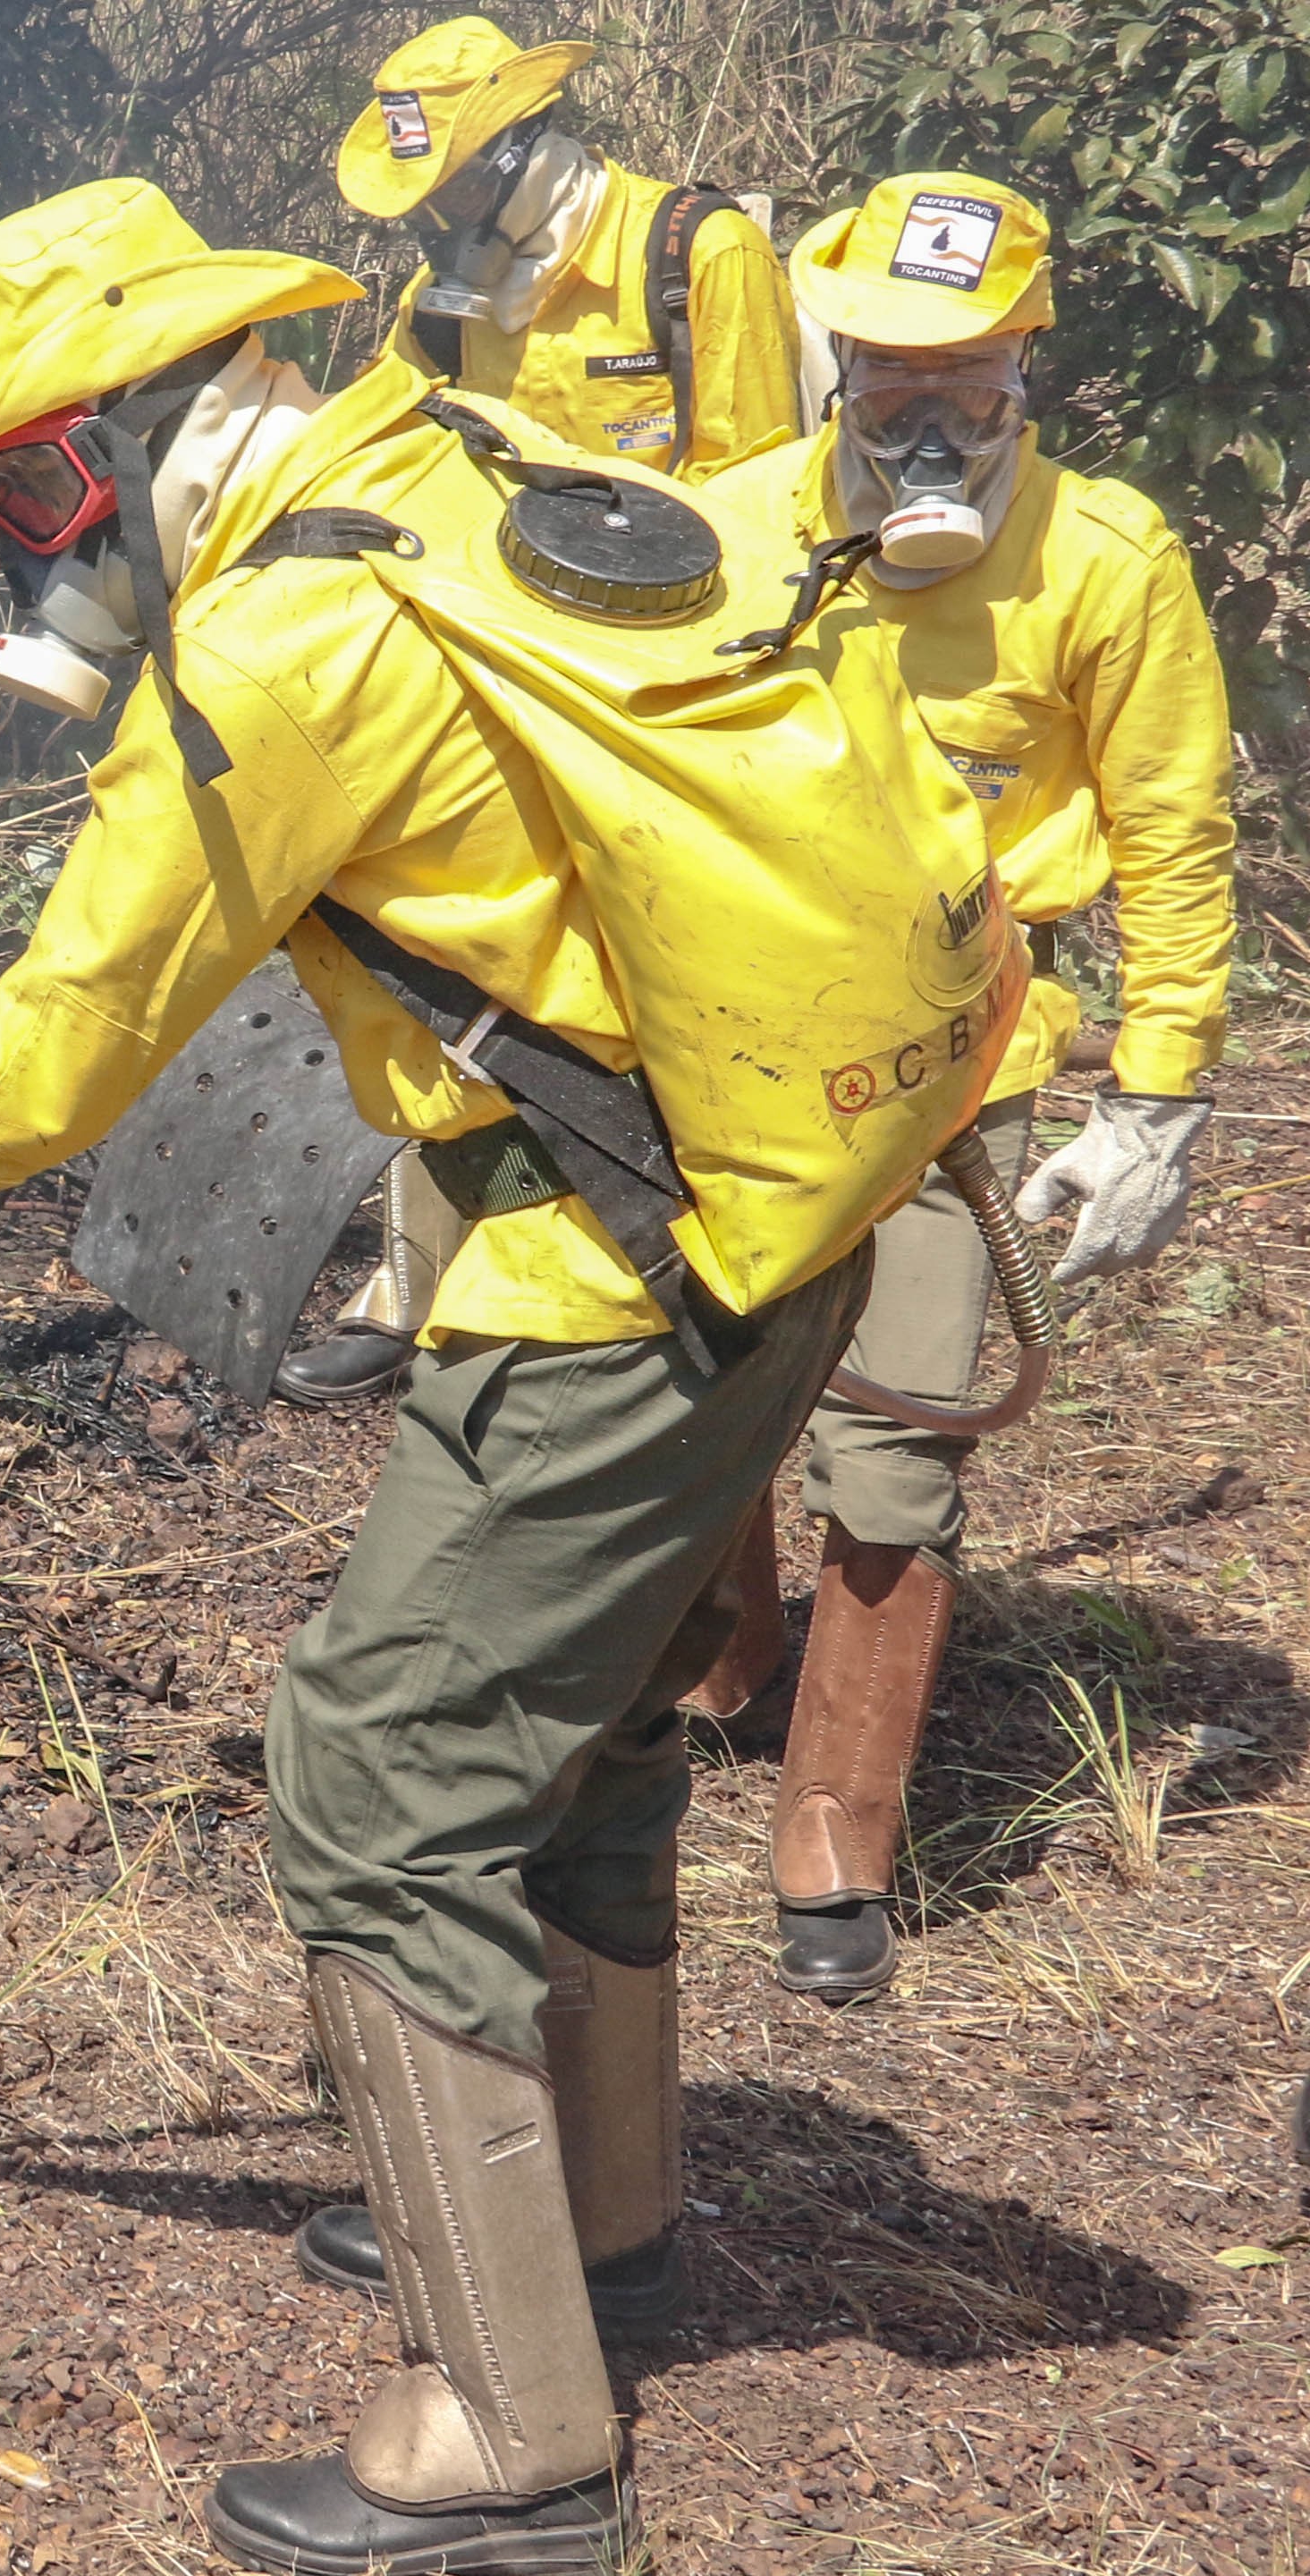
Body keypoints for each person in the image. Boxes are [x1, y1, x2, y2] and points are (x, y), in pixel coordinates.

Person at [0, 180, 1018, 2576]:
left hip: (621, 1282)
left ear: (119, 436)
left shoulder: (281, 653)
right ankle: (597, 2229)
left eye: (17, 487)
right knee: (593, 1722)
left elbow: (32, 1075)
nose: (14, 546)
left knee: (379, 1773)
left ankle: (510, 2429)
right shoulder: (463, 454)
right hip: (789, 1219)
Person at [676, 174, 1236, 1999]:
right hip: (726, 1045)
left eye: (970, 379)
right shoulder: (732, 522)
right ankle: (732, 1671)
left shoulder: (1104, 558)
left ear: (1029, 366)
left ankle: (835, 1829)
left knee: (902, 1445)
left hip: (950, 1069)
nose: (927, 419)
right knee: (695, 1389)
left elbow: (1172, 832)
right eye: (888, 376)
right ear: (834, 361)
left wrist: (1153, 1104)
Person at [280, 13, 804, 1408]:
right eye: (425, 199)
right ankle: (427, 1269)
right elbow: (390, 468)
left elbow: (763, 498)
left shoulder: (690, 254)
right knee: (440, 986)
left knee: (636, 1002)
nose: (437, 218)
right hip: (489, 688)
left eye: (452, 186)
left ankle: (668, 1250)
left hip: (654, 695)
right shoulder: (438, 299)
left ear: (521, 145)